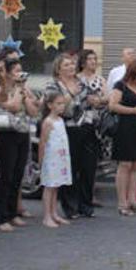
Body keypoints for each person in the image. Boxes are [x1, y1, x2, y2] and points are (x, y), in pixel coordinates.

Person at [0, 58, 39, 232]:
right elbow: (14, 107)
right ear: (8, 73)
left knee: (18, 175)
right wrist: (19, 90)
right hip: (6, 135)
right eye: (17, 71)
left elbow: (33, 111)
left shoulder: (23, 89)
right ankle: (1, 217)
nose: (21, 74)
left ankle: (12, 213)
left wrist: (26, 94)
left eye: (21, 70)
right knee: (6, 176)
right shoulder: (0, 90)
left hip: (23, 133)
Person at [45, 55, 95, 219]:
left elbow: (88, 102)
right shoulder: (53, 85)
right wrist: (70, 95)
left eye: (72, 64)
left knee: (88, 167)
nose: (71, 66)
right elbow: (54, 106)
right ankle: (70, 206)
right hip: (67, 129)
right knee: (70, 168)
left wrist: (97, 100)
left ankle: (86, 206)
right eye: (67, 65)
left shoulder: (81, 83)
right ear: (59, 69)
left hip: (86, 127)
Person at [109, 60, 136, 216]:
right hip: (124, 128)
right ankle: (122, 202)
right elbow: (112, 105)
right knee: (125, 164)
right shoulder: (120, 85)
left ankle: (133, 200)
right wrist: (133, 110)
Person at [76, 49, 106, 207]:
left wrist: (99, 100)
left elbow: (106, 98)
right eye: (90, 59)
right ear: (83, 62)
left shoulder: (100, 79)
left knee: (92, 162)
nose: (93, 62)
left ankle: (89, 196)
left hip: (95, 124)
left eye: (95, 59)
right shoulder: (77, 79)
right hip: (79, 123)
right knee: (78, 161)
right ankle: (76, 195)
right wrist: (88, 99)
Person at [38, 93, 73, 228]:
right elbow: (43, 142)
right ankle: (47, 216)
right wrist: (41, 160)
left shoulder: (60, 120)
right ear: (50, 105)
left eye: (63, 104)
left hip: (60, 157)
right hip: (51, 158)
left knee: (56, 185)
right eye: (58, 104)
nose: (61, 106)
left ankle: (54, 213)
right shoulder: (48, 122)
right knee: (49, 186)